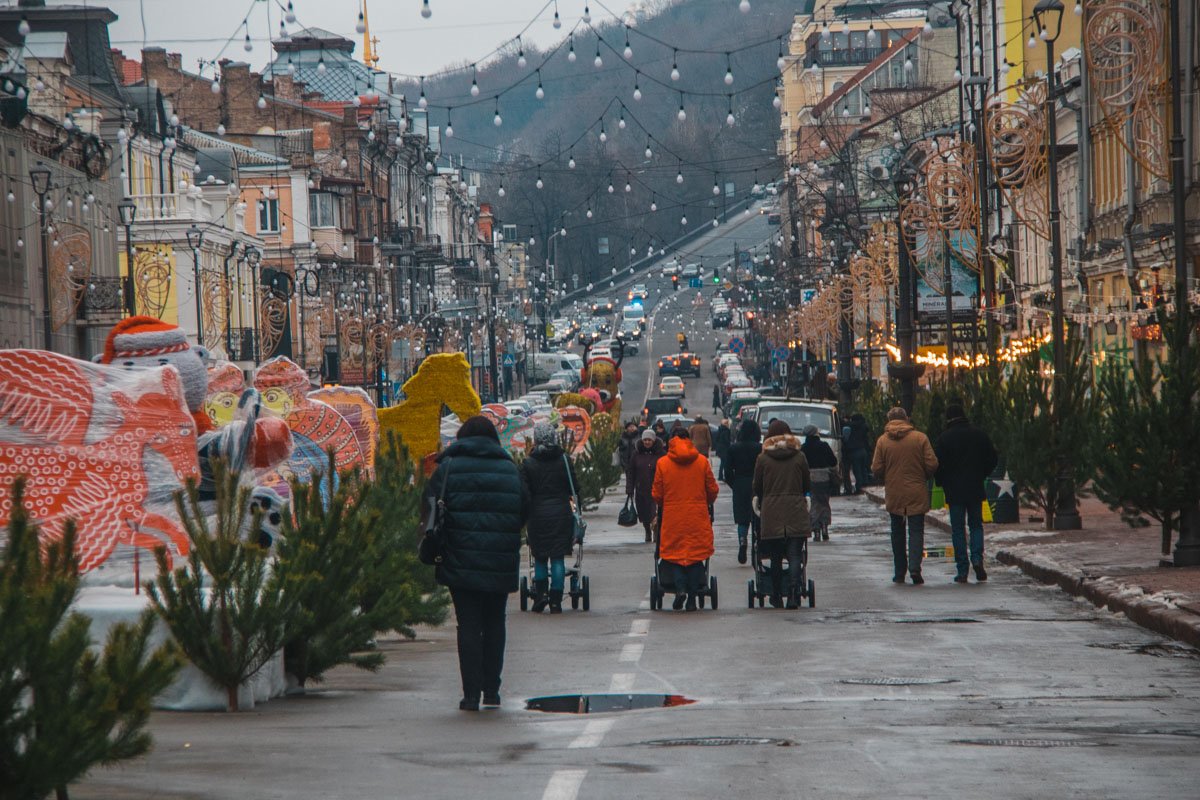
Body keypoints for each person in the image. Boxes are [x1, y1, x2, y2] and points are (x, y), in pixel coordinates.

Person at [426, 416, 528, 711]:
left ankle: (470, 694)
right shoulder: (509, 469)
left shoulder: (448, 470)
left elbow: (429, 508)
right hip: (500, 560)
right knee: (496, 622)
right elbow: (523, 510)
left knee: (468, 625)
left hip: (460, 560)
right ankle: (492, 692)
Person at [652, 428, 719, 611]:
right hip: (697, 516)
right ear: (689, 440)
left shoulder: (663, 463)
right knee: (695, 554)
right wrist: (705, 501)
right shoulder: (702, 462)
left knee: (675, 555)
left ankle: (680, 588)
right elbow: (712, 490)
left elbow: (657, 494)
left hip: (673, 518)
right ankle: (692, 596)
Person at [871, 407, 938, 585]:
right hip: (916, 489)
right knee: (916, 530)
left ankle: (899, 571)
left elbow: (876, 468)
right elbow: (932, 464)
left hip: (894, 491)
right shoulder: (920, 438)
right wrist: (922, 475)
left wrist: (888, 475)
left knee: (897, 531)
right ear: (906, 419)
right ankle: (915, 568)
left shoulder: (883, 441)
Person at [935, 403, 999, 584]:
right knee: (976, 525)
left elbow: (936, 464)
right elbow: (993, 458)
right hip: (975, 487)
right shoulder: (978, 435)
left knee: (958, 529)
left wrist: (943, 482)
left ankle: (962, 569)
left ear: (948, 418)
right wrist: (982, 473)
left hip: (954, 490)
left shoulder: (944, 438)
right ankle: (977, 558)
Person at [520, 423, 579, 613]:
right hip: (561, 513)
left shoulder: (528, 463)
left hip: (537, 515)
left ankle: (541, 594)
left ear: (536, 439)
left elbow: (524, 493)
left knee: (539, 557)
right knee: (557, 557)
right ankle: (556, 599)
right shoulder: (564, 460)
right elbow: (575, 488)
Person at [753, 420, 811, 608]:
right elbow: (806, 484)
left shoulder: (763, 459)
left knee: (776, 555)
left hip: (772, 511)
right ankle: (794, 593)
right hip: (795, 509)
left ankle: (776, 594)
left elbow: (757, 487)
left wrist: (763, 500)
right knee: (794, 554)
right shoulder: (799, 456)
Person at [724, 419, 761, 564]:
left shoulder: (734, 448)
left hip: (739, 484)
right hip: (757, 485)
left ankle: (742, 540)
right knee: (757, 517)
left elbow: (727, 471)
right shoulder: (760, 448)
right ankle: (757, 546)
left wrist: (735, 484)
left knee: (742, 519)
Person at [627, 427, 666, 543]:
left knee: (654, 512)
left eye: (649, 440)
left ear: (654, 441)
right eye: (645, 440)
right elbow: (631, 472)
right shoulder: (636, 454)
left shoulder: (661, 454)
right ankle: (647, 530)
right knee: (643, 513)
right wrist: (630, 488)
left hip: (656, 489)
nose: (647, 442)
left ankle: (656, 530)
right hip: (641, 489)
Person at [800, 425, 837, 541]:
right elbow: (833, 461)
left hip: (810, 478)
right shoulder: (824, 446)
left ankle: (816, 529)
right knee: (824, 502)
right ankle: (825, 526)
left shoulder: (803, 448)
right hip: (824, 478)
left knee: (813, 504)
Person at [845, 413, 872, 493]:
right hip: (863, 450)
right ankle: (865, 486)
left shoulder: (850, 426)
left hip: (854, 451)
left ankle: (859, 488)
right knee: (863, 468)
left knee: (857, 470)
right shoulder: (864, 427)